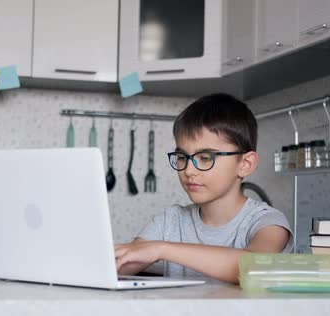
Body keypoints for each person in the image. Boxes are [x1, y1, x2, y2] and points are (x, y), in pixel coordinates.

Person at [115, 94, 292, 284]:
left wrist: (161, 249)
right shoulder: (170, 221)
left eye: (206, 158)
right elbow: (121, 264)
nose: (189, 170)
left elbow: (254, 267)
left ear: (245, 164)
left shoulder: (268, 223)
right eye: (182, 157)